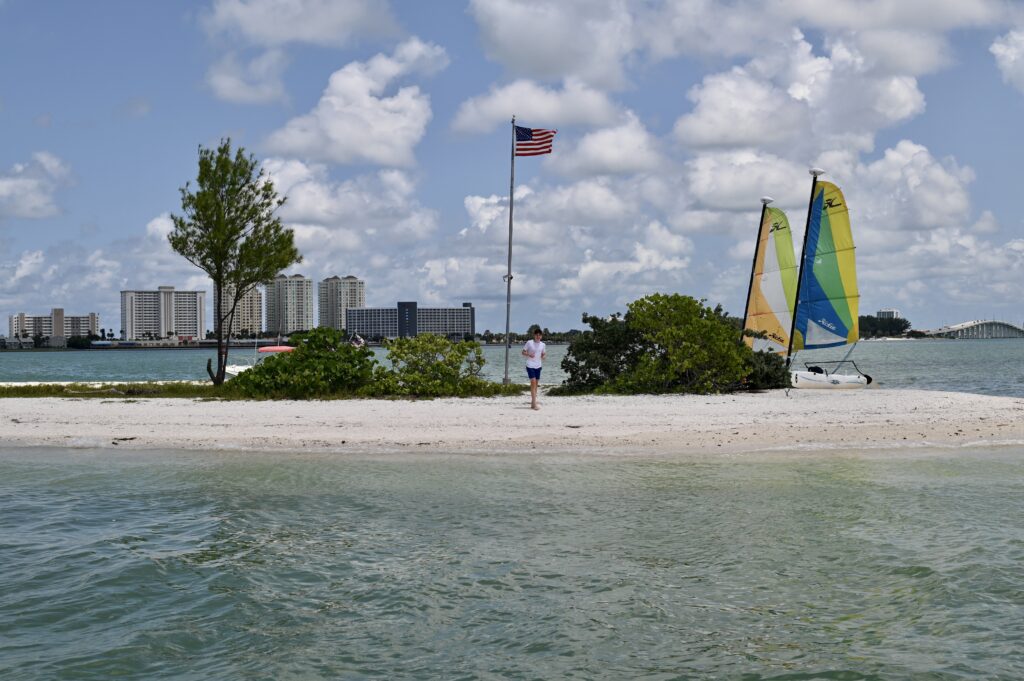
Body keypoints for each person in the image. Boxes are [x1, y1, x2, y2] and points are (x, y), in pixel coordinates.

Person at [522, 326, 546, 410]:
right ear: (534, 335)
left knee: (536, 384)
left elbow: (543, 354)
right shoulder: (529, 342)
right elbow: (523, 352)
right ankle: (534, 403)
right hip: (530, 365)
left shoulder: (543, 344)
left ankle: (533, 402)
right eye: (537, 334)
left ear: (541, 336)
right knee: (533, 382)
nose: (538, 336)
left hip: (538, 366)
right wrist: (528, 354)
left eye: (540, 335)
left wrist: (543, 356)